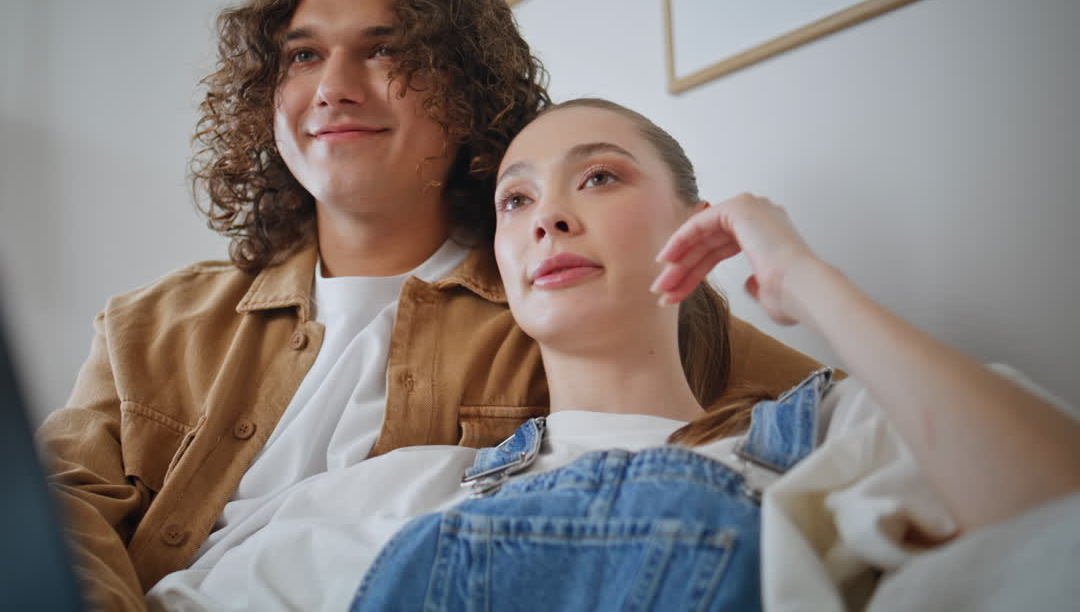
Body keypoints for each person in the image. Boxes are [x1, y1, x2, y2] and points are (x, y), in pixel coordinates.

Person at [37, 0, 822, 611]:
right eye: (303, 55)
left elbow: (830, 422)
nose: (333, 88)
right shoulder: (147, 328)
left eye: (384, 50)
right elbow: (54, 526)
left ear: (466, 86)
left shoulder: (571, 300)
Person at [146, 99, 1079, 610]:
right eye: (516, 200)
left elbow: (1057, 508)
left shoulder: (833, 436)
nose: (548, 216)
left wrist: (804, 276)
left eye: (598, 176)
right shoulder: (407, 489)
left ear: (694, 222)